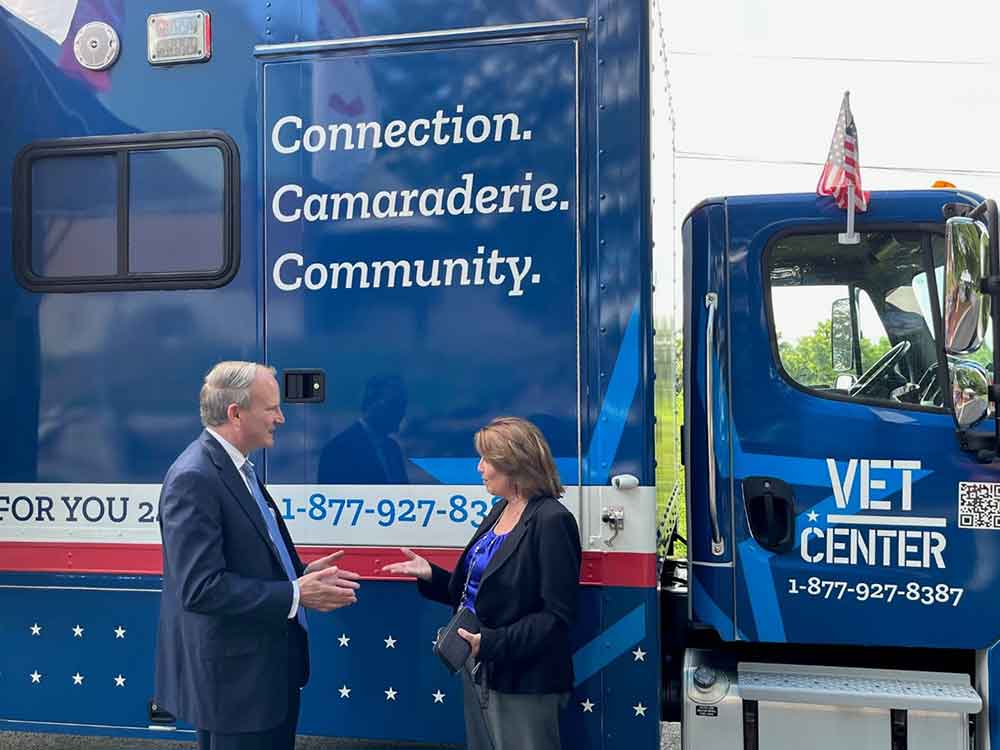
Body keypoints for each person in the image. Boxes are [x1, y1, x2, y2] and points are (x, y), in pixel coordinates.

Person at [154, 361, 361, 750]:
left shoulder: (236, 469)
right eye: (272, 408)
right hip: (236, 689)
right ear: (236, 413)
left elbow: (245, 553)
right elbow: (200, 588)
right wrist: (296, 594)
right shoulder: (194, 477)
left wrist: (297, 572)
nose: (281, 418)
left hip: (263, 679)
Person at [382, 417, 581, 750]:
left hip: (523, 679)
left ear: (513, 464)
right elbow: (480, 591)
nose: (479, 468)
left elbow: (555, 618)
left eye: (487, 460)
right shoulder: (501, 509)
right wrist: (430, 574)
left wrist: (490, 643)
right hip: (480, 665)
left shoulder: (551, 520)